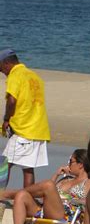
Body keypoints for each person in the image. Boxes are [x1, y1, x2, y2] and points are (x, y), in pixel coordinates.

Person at [2, 149, 90, 224]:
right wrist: (56, 175)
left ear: (80, 165)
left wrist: (69, 200)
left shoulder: (89, 181)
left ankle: (7, 194)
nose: (68, 164)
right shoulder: (66, 180)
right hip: (45, 210)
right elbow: (47, 192)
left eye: (71, 161)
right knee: (22, 196)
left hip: (65, 215)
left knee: (48, 185)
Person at [0, 49, 50, 188]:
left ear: (7, 63)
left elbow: (11, 101)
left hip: (24, 130)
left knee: (4, 164)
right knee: (27, 169)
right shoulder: (34, 76)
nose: (1, 72)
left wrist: (6, 119)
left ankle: (0, 198)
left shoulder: (15, 75)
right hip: (38, 129)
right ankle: (27, 201)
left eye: (0, 67)